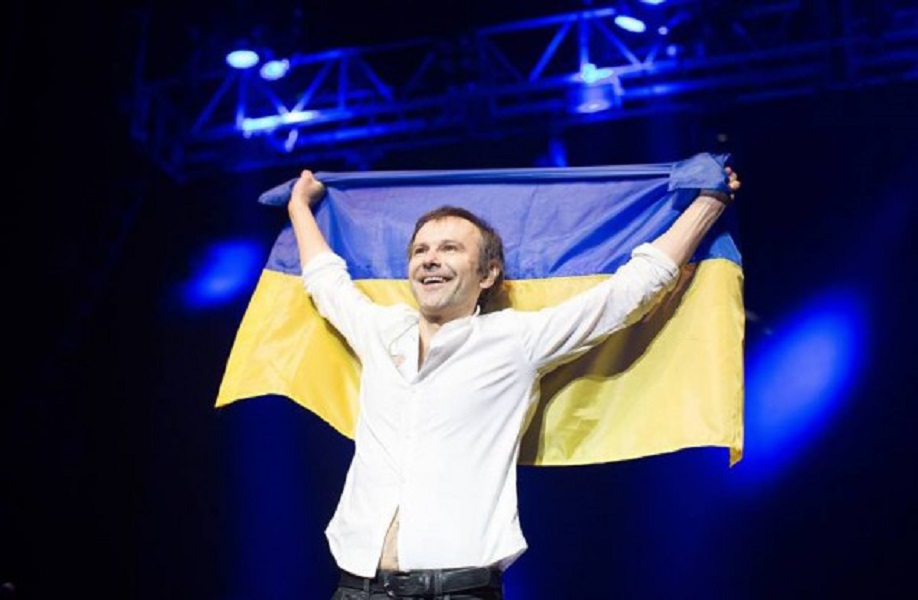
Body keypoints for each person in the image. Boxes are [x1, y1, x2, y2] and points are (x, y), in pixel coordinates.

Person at [287, 165, 741, 599]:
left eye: (449, 248)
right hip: (358, 589)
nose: (430, 259)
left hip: (458, 591)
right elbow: (326, 280)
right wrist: (299, 207)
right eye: (420, 250)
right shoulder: (380, 331)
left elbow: (627, 293)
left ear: (487, 274)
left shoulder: (513, 341)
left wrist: (708, 204)